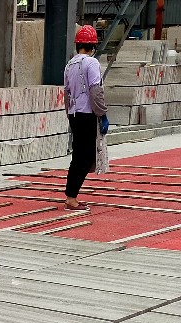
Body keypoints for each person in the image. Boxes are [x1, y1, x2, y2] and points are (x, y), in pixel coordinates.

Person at [63, 25, 107, 210]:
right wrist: (102, 114)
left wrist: (69, 114)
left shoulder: (70, 65)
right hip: (87, 115)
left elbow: (66, 93)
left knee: (78, 156)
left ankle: (70, 195)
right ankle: (71, 198)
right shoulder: (92, 63)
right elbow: (96, 91)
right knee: (86, 157)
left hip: (74, 114)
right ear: (92, 46)